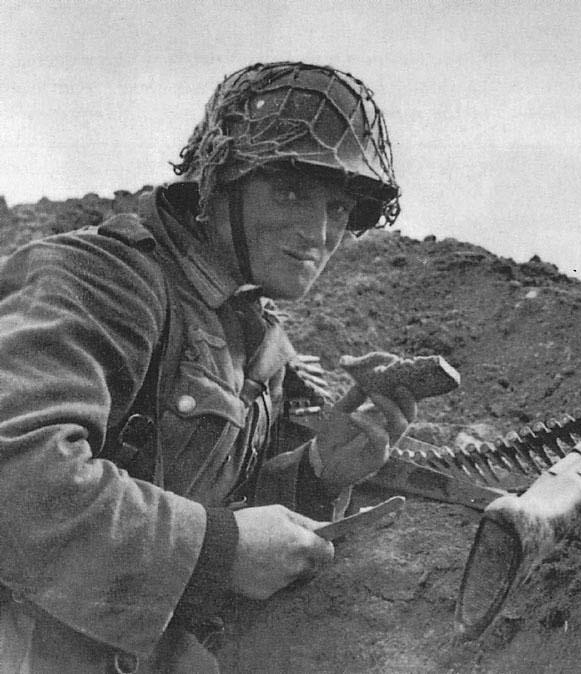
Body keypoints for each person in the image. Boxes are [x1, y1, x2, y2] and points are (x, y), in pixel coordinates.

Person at [0, 61, 416, 672]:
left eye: (338, 207)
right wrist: (218, 550)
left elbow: (214, 501)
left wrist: (319, 473)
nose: (317, 232)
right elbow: (15, 473)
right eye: (290, 191)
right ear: (221, 181)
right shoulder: (99, 280)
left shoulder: (253, 334)